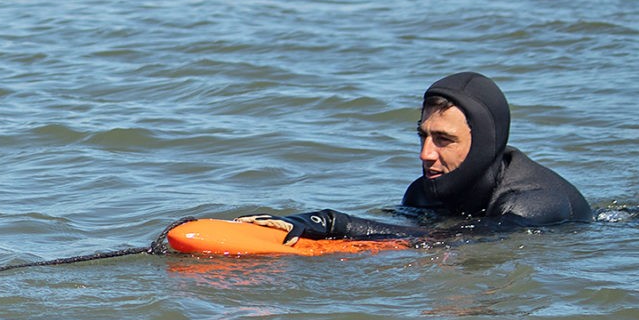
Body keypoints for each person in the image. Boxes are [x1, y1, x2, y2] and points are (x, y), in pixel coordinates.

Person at [242, 72, 592, 244]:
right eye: (422, 135)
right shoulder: (423, 192)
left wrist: (332, 223)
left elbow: (457, 240)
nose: (426, 154)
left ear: (485, 143)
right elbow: (405, 234)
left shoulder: (532, 204)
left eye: (443, 140)